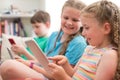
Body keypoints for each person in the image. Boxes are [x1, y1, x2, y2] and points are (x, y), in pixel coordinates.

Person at [0, 0, 87, 79]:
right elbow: (44, 62)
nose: (69, 22)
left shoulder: (78, 43)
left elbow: (62, 76)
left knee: (8, 67)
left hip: (51, 77)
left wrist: (29, 64)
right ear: (60, 16)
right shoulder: (54, 35)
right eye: (66, 18)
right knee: (8, 65)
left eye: (75, 20)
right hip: (42, 72)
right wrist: (25, 62)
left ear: (83, 22)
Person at [46, 0, 120, 80]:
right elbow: (74, 74)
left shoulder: (109, 55)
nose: (83, 33)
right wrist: (65, 64)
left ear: (106, 28)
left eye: (87, 28)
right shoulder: (89, 49)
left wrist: (63, 77)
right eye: (83, 28)